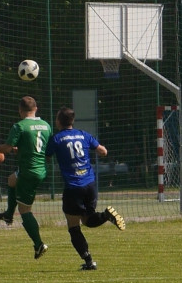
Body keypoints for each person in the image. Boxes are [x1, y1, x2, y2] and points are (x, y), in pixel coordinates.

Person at [45, 106, 125, 270]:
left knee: (74, 227)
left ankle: (89, 262)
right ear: (72, 121)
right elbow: (103, 151)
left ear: (58, 121)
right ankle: (106, 215)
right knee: (88, 221)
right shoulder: (83, 134)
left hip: (73, 187)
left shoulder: (57, 139)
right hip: (90, 184)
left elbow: (45, 156)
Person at [0, 95, 52, 259]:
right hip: (39, 169)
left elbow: (6, 148)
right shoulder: (46, 125)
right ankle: (8, 214)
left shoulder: (19, 126)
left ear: (20, 110)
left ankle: (39, 244)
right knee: (11, 180)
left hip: (29, 172)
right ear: (36, 109)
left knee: (25, 210)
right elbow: (43, 149)